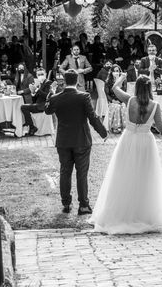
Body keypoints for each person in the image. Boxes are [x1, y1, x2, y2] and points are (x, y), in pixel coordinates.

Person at [88, 74, 162, 234]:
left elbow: (114, 88)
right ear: (149, 89)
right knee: (145, 178)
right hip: (146, 143)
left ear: (137, 87)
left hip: (127, 140)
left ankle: (122, 213)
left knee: (123, 175)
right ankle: (143, 215)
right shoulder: (154, 105)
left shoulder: (129, 100)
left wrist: (121, 77)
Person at [44, 69, 108, 214]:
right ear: (77, 80)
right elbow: (92, 117)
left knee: (65, 172)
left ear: (65, 81)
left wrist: (51, 92)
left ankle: (66, 204)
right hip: (81, 140)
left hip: (63, 141)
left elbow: (47, 110)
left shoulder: (56, 98)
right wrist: (103, 132)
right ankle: (84, 205)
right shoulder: (84, 97)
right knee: (82, 173)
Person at [21, 68, 53, 136]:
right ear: (36, 75)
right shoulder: (39, 83)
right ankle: (30, 126)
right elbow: (35, 98)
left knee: (23, 107)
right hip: (38, 104)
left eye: (42, 74)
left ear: (45, 74)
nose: (40, 76)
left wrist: (37, 90)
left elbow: (47, 96)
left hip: (43, 105)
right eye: (39, 74)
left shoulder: (48, 83)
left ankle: (31, 127)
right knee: (24, 106)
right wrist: (33, 92)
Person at [105, 64, 127, 134]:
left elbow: (124, 92)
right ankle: (116, 127)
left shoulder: (123, 81)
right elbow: (107, 94)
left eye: (117, 71)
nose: (116, 72)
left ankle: (124, 127)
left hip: (121, 99)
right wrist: (113, 101)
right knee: (116, 107)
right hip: (113, 100)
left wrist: (119, 80)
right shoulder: (108, 81)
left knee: (123, 106)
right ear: (111, 72)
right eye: (114, 71)